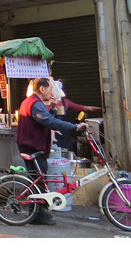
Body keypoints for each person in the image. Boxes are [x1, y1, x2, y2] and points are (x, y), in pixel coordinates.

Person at [16, 77, 88, 226]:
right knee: (38, 182)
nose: (52, 93)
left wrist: (53, 109)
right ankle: (36, 214)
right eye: (50, 89)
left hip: (35, 147)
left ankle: (38, 213)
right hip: (33, 147)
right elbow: (49, 122)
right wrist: (74, 127)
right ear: (42, 89)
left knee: (39, 180)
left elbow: (47, 119)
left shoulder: (33, 103)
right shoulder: (34, 104)